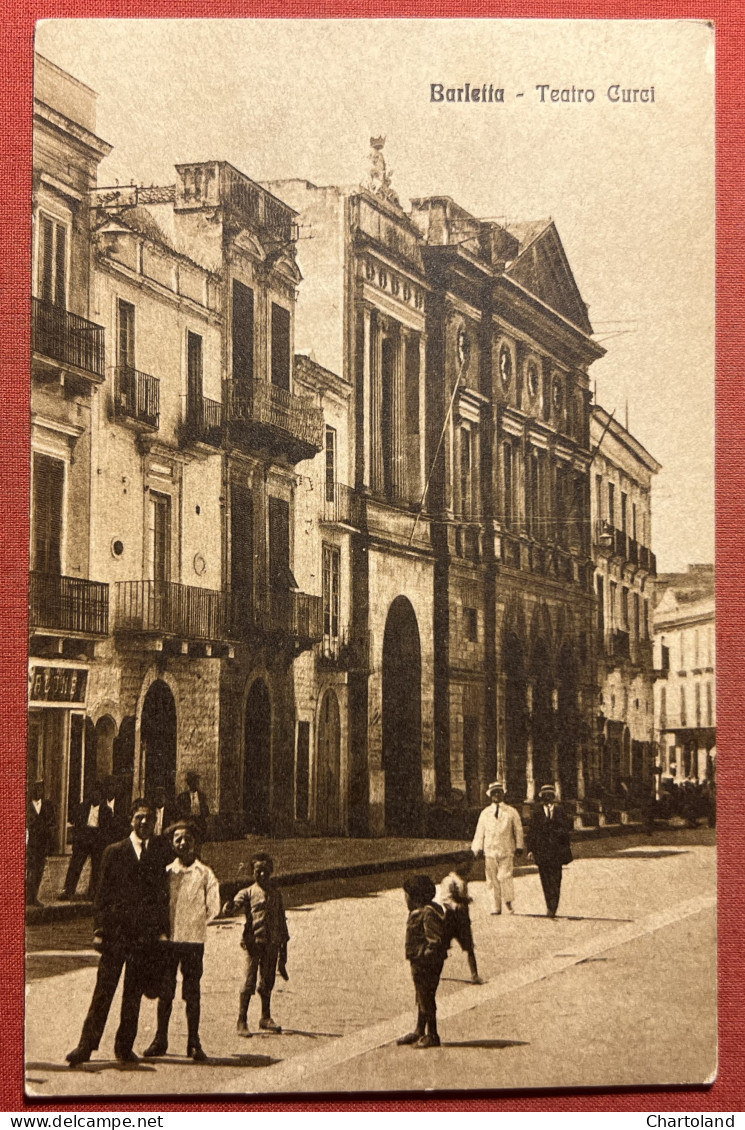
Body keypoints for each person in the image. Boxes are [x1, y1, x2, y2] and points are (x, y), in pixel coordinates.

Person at [65, 799, 170, 1066]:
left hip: (142, 937)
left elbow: (161, 897)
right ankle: (85, 1046)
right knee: (103, 991)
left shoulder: (158, 856)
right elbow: (102, 895)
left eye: (149, 818)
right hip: (115, 934)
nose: (144, 822)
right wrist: (99, 930)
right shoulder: (114, 852)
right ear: (130, 820)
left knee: (133, 994)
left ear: (155, 822)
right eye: (139, 817)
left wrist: (161, 931)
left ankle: (124, 1047)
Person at [143, 822, 221, 1062]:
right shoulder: (167, 872)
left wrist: (195, 922)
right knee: (166, 990)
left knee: (192, 991)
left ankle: (193, 1042)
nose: (183, 843)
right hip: (169, 941)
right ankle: (160, 1039)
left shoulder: (204, 873)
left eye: (188, 838)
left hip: (193, 942)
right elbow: (158, 904)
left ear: (195, 843)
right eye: (178, 839)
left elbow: (213, 907)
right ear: (172, 844)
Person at [229, 853, 289, 1037]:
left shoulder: (276, 894)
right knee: (249, 981)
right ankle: (242, 1020)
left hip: (272, 944)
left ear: (271, 871)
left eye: (266, 871)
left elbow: (282, 922)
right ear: (252, 872)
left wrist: (283, 952)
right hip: (253, 944)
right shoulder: (247, 892)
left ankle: (265, 1017)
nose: (262, 874)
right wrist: (230, 906)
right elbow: (234, 905)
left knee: (267, 981)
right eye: (258, 871)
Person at [397, 875, 448, 1049]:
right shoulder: (420, 911)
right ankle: (419, 1030)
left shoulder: (428, 914)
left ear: (416, 897)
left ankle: (432, 1034)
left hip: (426, 963)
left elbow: (435, 941)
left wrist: (424, 957)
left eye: (407, 896)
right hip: (419, 961)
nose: (405, 899)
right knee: (421, 996)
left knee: (427, 997)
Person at [470, 781, 524, 915]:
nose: (497, 795)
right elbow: (480, 831)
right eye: (494, 793)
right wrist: (477, 848)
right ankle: (495, 906)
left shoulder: (511, 812)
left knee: (505, 876)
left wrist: (519, 846)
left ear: (503, 794)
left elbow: (518, 830)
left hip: (506, 849)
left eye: (499, 792)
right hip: (490, 850)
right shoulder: (485, 813)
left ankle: (508, 901)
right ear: (490, 795)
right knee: (491, 879)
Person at [526, 783, 573, 918]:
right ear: (541, 797)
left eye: (550, 795)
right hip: (542, 852)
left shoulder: (560, 811)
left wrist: (564, 847)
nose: (547, 798)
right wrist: (530, 850)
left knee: (556, 879)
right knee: (545, 880)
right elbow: (532, 832)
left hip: (556, 852)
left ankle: (554, 906)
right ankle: (549, 905)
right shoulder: (537, 812)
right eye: (545, 795)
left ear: (553, 797)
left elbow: (566, 831)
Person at [59, 782, 113, 901]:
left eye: (97, 794)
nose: (95, 796)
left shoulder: (107, 811)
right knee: (76, 864)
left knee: (97, 867)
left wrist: (102, 843)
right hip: (84, 837)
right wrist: (76, 841)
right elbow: (77, 825)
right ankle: (68, 891)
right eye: (93, 794)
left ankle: (94, 893)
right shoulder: (82, 807)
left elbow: (107, 830)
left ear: (101, 796)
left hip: (97, 839)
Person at [437, 856, 482, 984]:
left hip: (463, 919)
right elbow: (445, 899)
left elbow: (462, 895)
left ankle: (474, 975)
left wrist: (467, 899)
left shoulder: (463, 880)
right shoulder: (449, 880)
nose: (467, 868)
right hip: (451, 919)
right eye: (464, 865)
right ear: (457, 865)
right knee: (442, 947)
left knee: (469, 946)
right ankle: (434, 971)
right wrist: (456, 905)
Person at [26, 780, 56, 907]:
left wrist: (49, 842)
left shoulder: (48, 805)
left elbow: (53, 824)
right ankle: (27, 896)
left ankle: (33, 897)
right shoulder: (26, 805)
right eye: (35, 788)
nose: (38, 791)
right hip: (30, 844)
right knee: (29, 870)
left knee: (39, 870)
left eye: (40, 789)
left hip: (42, 844)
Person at [175, 771, 210, 842]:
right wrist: (189, 816)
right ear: (188, 783)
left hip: (199, 822)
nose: (195, 784)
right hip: (187, 822)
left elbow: (206, 812)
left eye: (196, 782)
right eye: (192, 781)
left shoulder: (202, 796)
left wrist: (201, 813)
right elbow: (179, 811)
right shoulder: (182, 797)